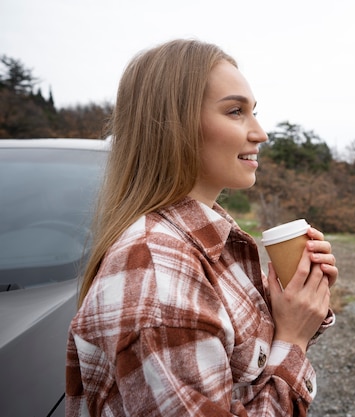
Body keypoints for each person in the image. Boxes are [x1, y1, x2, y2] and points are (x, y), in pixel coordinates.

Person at [66, 39, 338, 417]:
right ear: (174, 124)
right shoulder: (156, 266)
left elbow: (247, 358)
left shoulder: (208, 236)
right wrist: (293, 339)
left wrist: (302, 302)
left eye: (253, 111)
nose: (260, 133)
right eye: (235, 112)